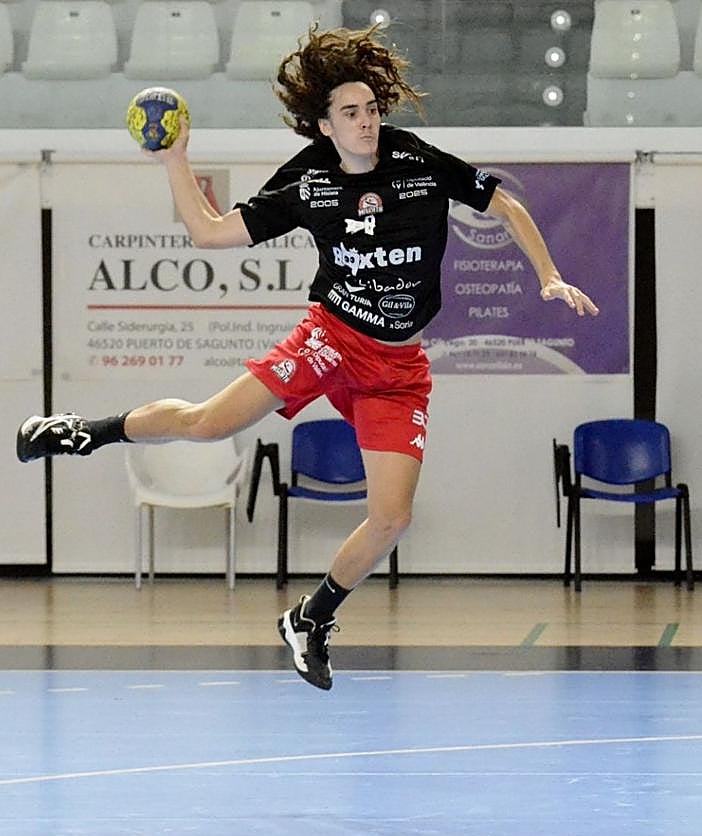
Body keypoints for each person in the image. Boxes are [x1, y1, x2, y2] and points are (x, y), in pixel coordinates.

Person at [15, 25, 598, 692]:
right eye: (350, 113)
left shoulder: (417, 163)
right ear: (323, 125)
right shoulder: (309, 182)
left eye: (373, 110)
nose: (367, 122)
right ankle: (82, 432)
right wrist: (176, 160)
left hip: (398, 368)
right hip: (331, 339)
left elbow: (505, 205)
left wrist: (547, 275)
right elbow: (208, 234)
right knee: (210, 422)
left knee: (392, 517)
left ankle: (310, 617)